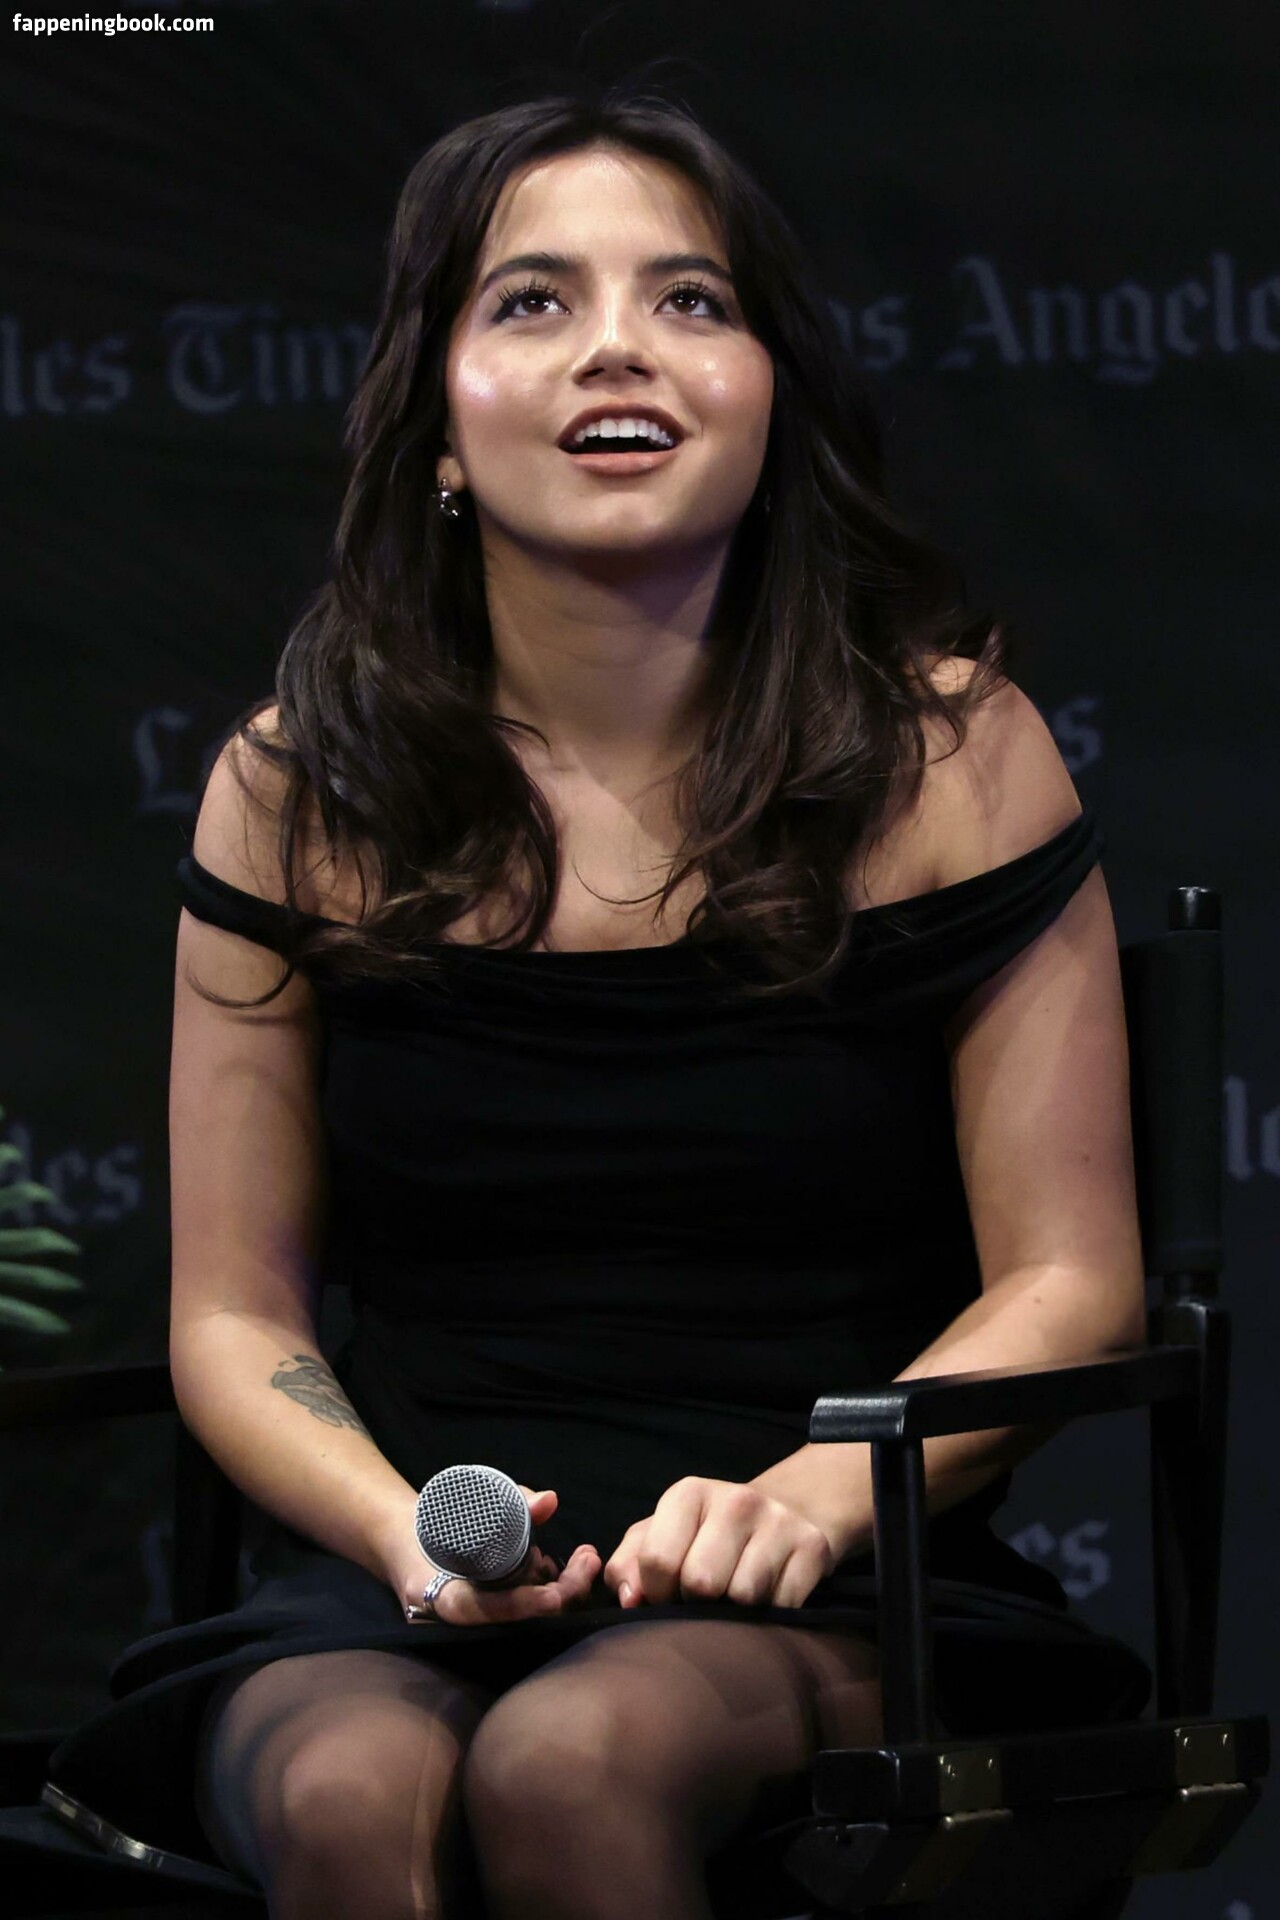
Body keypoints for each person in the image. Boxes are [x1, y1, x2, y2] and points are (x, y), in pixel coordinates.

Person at [47, 85, 1152, 1920]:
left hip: (832, 1568)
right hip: (410, 1567)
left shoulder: (948, 759)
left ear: (770, 397)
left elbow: (1072, 1280)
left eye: (689, 299)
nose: (617, 347)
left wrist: (811, 1496)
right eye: (534, 300)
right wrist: (402, 1532)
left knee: (574, 1761)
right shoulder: (300, 789)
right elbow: (234, 1315)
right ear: (439, 421)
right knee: (352, 1789)